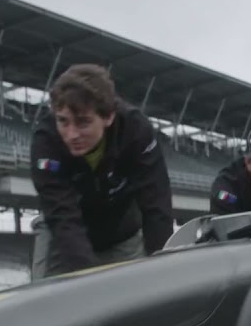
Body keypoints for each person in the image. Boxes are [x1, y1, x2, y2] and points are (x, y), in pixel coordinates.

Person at [29, 63, 174, 279]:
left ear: (108, 117)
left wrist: (163, 268)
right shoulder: (46, 141)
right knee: (43, 302)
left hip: (121, 231)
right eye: (63, 121)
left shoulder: (136, 130)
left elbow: (156, 204)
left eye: (83, 122)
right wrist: (89, 280)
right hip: (62, 232)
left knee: (144, 296)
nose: (71, 135)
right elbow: (62, 216)